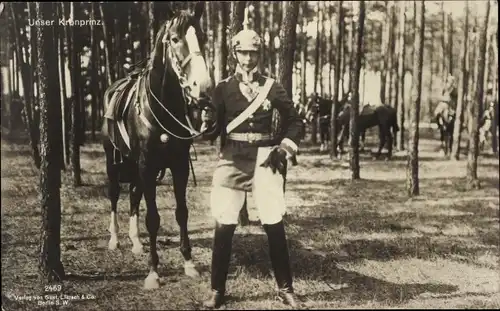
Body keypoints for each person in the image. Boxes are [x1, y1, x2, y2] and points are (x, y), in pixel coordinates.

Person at [200, 26, 304, 309]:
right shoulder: (221, 89)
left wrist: (284, 149)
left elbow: (295, 121)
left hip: (265, 159)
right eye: (243, 52)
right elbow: (211, 131)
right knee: (224, 224)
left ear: (259, 54)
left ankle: (286, 289)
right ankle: (216, 291)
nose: (248, 59)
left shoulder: (273, 87)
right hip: (231, 159)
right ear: (235, 53)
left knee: (274, 223)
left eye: (253, 53)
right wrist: (203, 120)